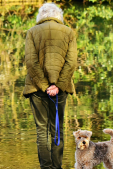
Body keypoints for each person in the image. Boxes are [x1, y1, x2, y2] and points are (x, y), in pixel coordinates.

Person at [23, 2, 78, 169]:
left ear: (41, 16)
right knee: (58, 129)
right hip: (60, 89)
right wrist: (58, 86)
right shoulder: (69, 32)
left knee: (41, 130)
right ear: (58, 15)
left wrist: (44, 85)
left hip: (37, 88)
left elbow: (31, 62)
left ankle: (45, 167)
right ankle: (57, 167)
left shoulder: (32, 32)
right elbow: (71, 63)